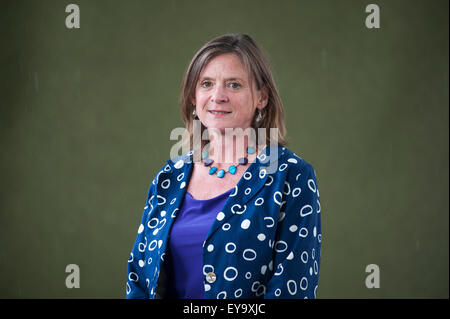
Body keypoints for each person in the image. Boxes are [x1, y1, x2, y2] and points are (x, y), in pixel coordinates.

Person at [126, 33, 322, 299]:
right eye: (206, 83)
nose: (218, 96)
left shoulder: (290, 176)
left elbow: (293, 289)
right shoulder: (168, 178)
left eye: (234, 85)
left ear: (262, 97)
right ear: (193, 97)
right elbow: (139, 278)